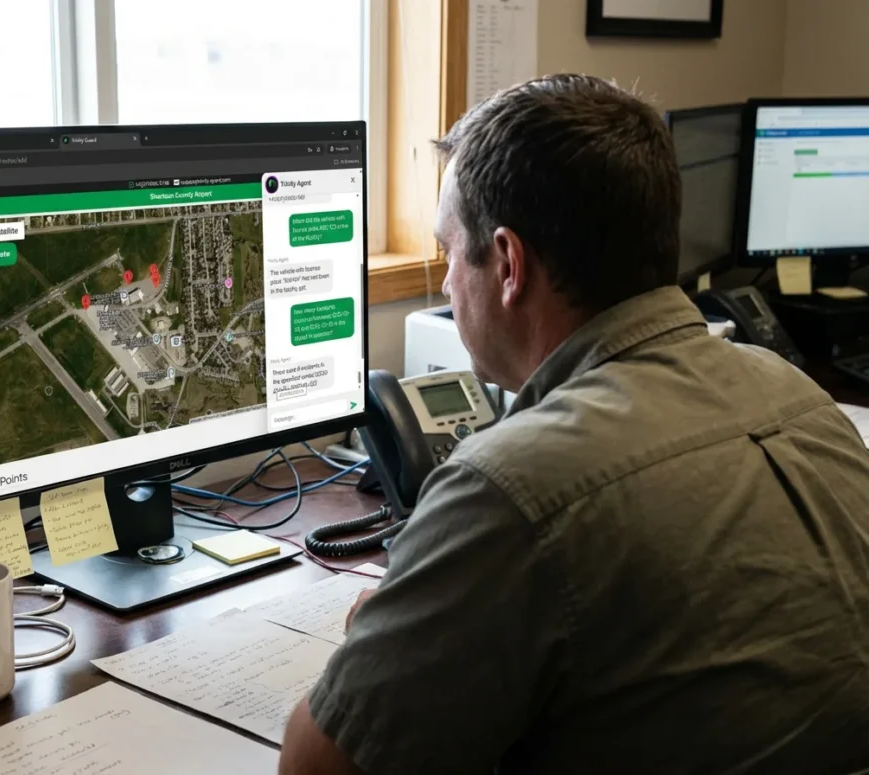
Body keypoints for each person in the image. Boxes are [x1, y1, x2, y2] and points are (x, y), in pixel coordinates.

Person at [278, 74, 869, 774]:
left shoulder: (509, 486)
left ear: (507, 264)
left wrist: (374, 642)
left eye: (445, 255)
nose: (443, 286)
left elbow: (313, 767)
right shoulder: (797, 396)